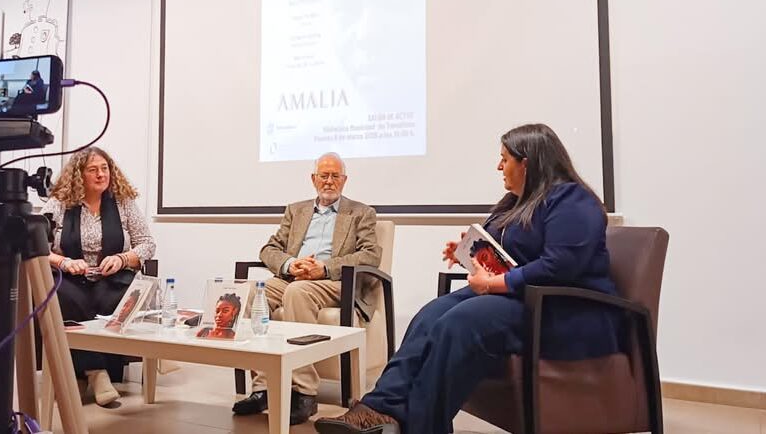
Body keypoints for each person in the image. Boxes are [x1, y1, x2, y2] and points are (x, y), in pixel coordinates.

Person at [315, 123, 623, 434]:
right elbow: (503, 251)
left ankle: (421, 427)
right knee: (429, 315)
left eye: (505, 159)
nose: (499, 166)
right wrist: (470, 252)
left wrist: (493, 284)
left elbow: (559, 266)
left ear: (526, 162)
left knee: (459, 322)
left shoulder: (572, 200)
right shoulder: (516, 203)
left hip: (565, 310)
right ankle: (379, 409)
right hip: (520, 298)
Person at [233, 152, 382, 425]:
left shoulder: (361, 213)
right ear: (313, 179)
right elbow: (269, 249)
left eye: (335, 176)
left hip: (333, 282)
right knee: (252, 292)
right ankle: (263, 386)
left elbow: (370, 256)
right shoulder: (296, 210)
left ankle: (304, 391)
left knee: (297, 293)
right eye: (323, 175)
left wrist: (323, 268)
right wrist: (291, 265)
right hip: (294, 276)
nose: (329, 181)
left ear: (344, 180)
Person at [41, 146, 156, 406]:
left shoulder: (123, 201)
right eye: (93, 170)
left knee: (111, 299)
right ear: (78, 175)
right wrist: (65, 262)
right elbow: (38, 247)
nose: (101, 174)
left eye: (104, 168)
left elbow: (147, 244)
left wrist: (122, 258)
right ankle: (96, 372)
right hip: (70, 277)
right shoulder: (59, 203)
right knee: (67, 299)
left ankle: (85, 374)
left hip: (112, 277)